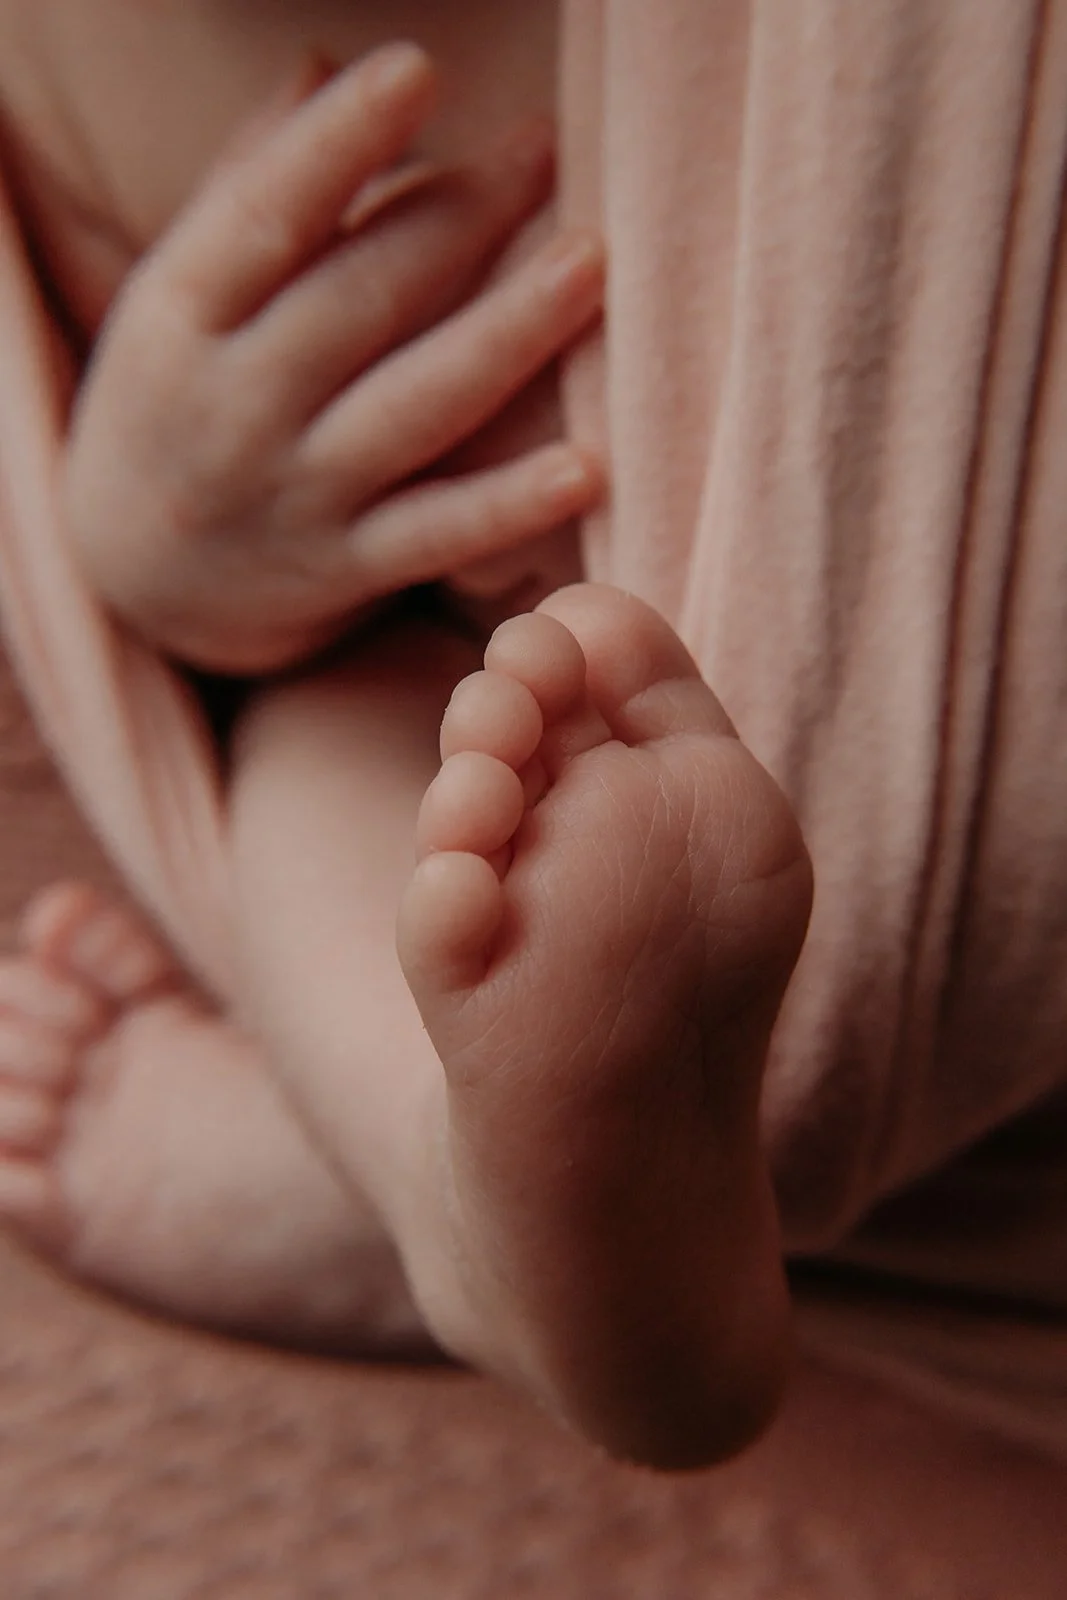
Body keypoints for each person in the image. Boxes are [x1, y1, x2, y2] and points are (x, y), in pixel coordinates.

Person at [0, 8, 813, 1471]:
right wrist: (161, 536)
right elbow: (59, 368)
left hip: (888, 587)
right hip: (413, 646)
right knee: (349, 769)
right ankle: (449, 1173)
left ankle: (415, 1186)